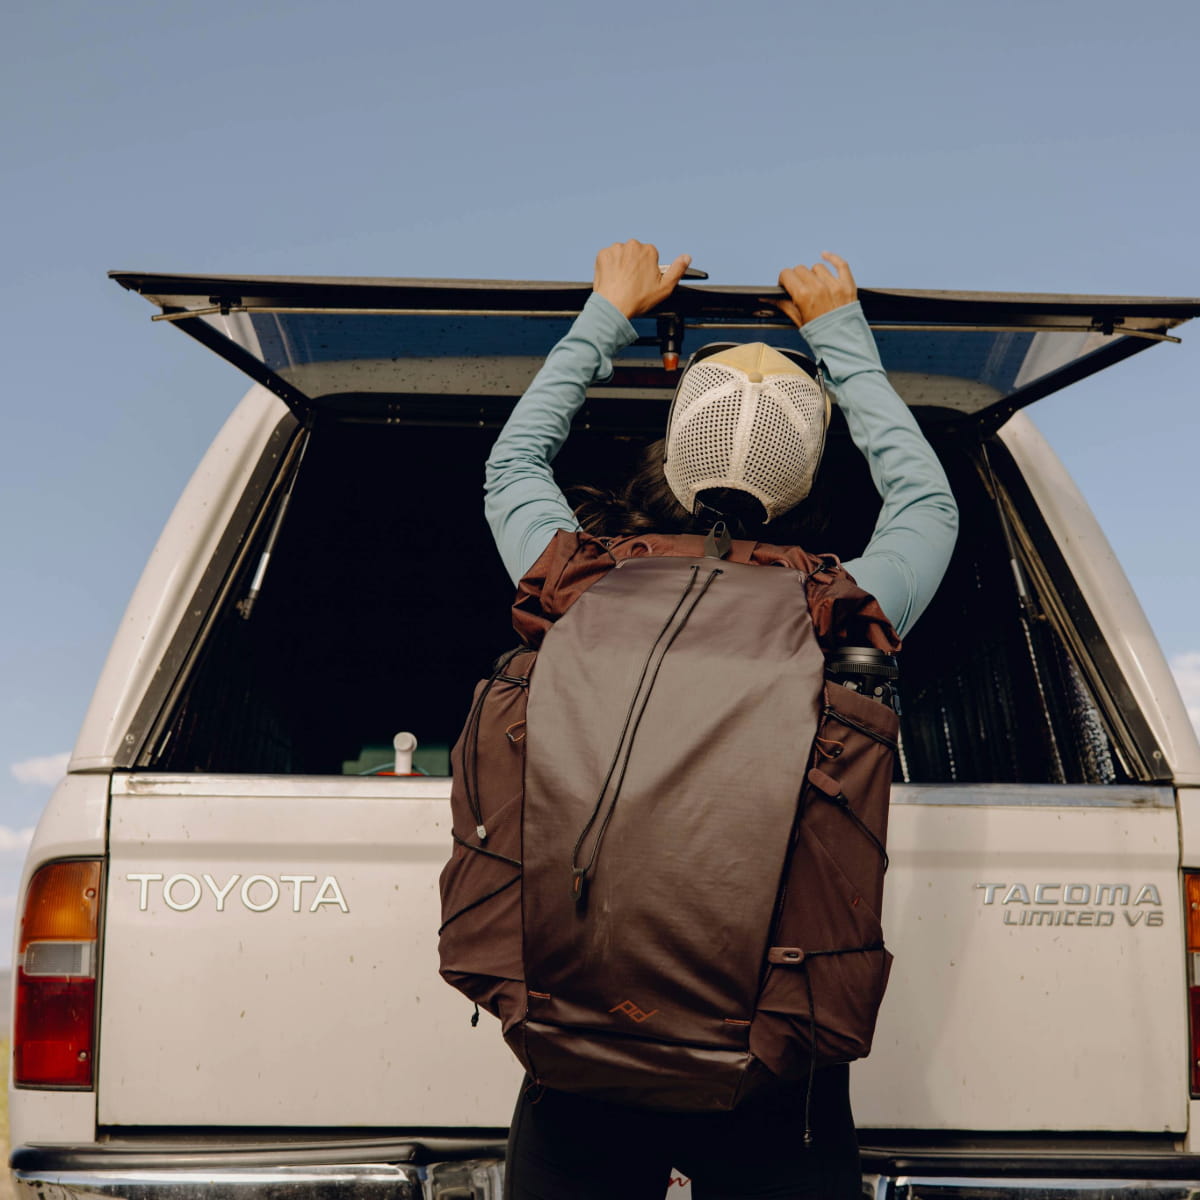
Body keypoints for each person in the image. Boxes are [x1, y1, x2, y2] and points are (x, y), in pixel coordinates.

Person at [484, 241, 958, 1200]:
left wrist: (608, 312)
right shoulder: (844, 607)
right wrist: (840, 335)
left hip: (578, 1044)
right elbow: (925, 500)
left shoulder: (571, 583)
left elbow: (513, 462)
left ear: (673, 452)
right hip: (774, 1060)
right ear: (809, 479)